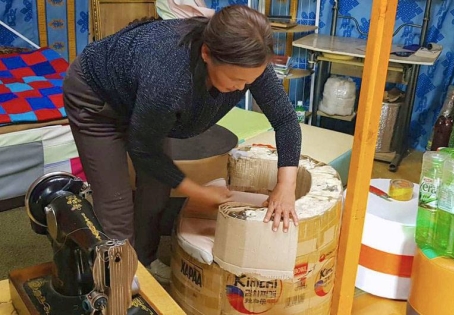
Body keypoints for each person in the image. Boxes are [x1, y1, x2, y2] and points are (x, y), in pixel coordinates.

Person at [63, 5, 301, 284]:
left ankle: (144, 261)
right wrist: (196, 191)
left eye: (248, 81)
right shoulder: (170, 78)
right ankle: (119, 285)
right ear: (206, 54)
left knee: (156, 190)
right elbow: (143, 150)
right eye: (236, 80)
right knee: (116, 208)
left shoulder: (249, 63)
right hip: (96, 100)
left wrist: (286, 186)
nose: (241, 88)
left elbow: (286, 121)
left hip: (144, 99)